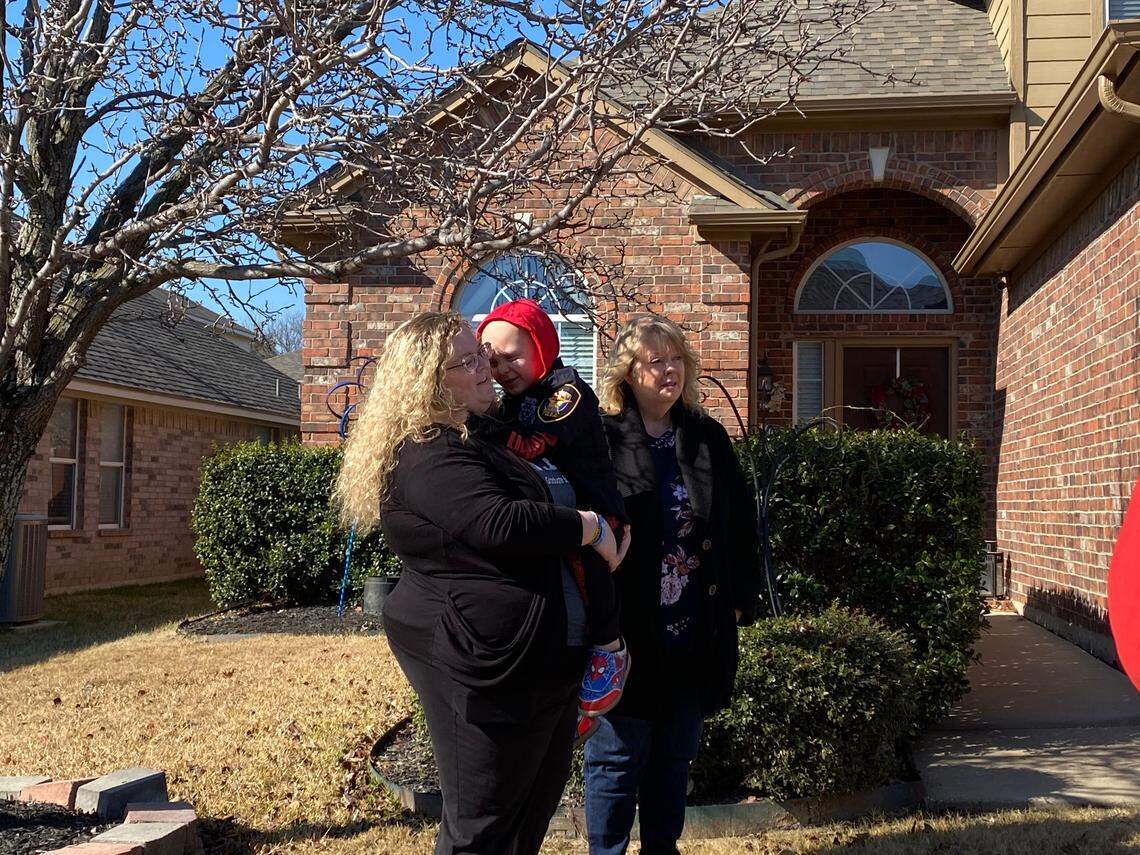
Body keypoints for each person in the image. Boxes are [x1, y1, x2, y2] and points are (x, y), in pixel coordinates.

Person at [333, 311, 630, 855]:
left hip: (544, 658)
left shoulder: (479, 433)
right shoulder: (425, 452)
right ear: (428, 380)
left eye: (484, 355)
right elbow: (496, 522)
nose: (486, 367)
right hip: (488, 664)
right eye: (468, 360)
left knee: (526, 818)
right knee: (482, 826)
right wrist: (588, 528)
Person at [583, 314, 762, 855]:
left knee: (674, 755)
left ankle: (662, 849)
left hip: (693, 628)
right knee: (617, 758)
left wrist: (736, 603)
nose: (669, 370)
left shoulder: (704, 436)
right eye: (655, 360)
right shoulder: (601, 438)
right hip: (627, 628)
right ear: (626, 373)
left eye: (676, 358)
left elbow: (740, 525)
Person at [476, 299, 630, 742]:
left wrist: (480, 425)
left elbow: (529, 446)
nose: (502, 368)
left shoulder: (567, 392)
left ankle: (609, 649)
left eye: (513, 356)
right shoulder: (514, 399)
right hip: (563, 512)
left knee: (591, 569)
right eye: (491, 358)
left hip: (597, 507)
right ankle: (574, 696)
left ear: (544, 348)